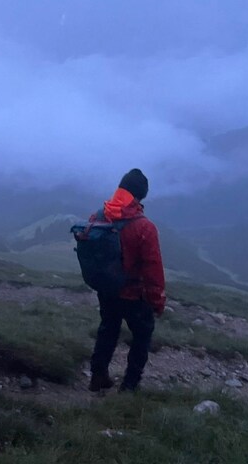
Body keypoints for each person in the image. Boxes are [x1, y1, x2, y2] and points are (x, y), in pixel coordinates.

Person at [89, 168, 166, 393]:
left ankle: (98, 375)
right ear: (141, 196)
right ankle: (129, 386)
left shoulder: (98, 217)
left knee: (108, 329)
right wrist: (157, 301)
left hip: (107, 289)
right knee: (141, 337)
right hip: (134, 294)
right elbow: (154, 269)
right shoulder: (145, 227)